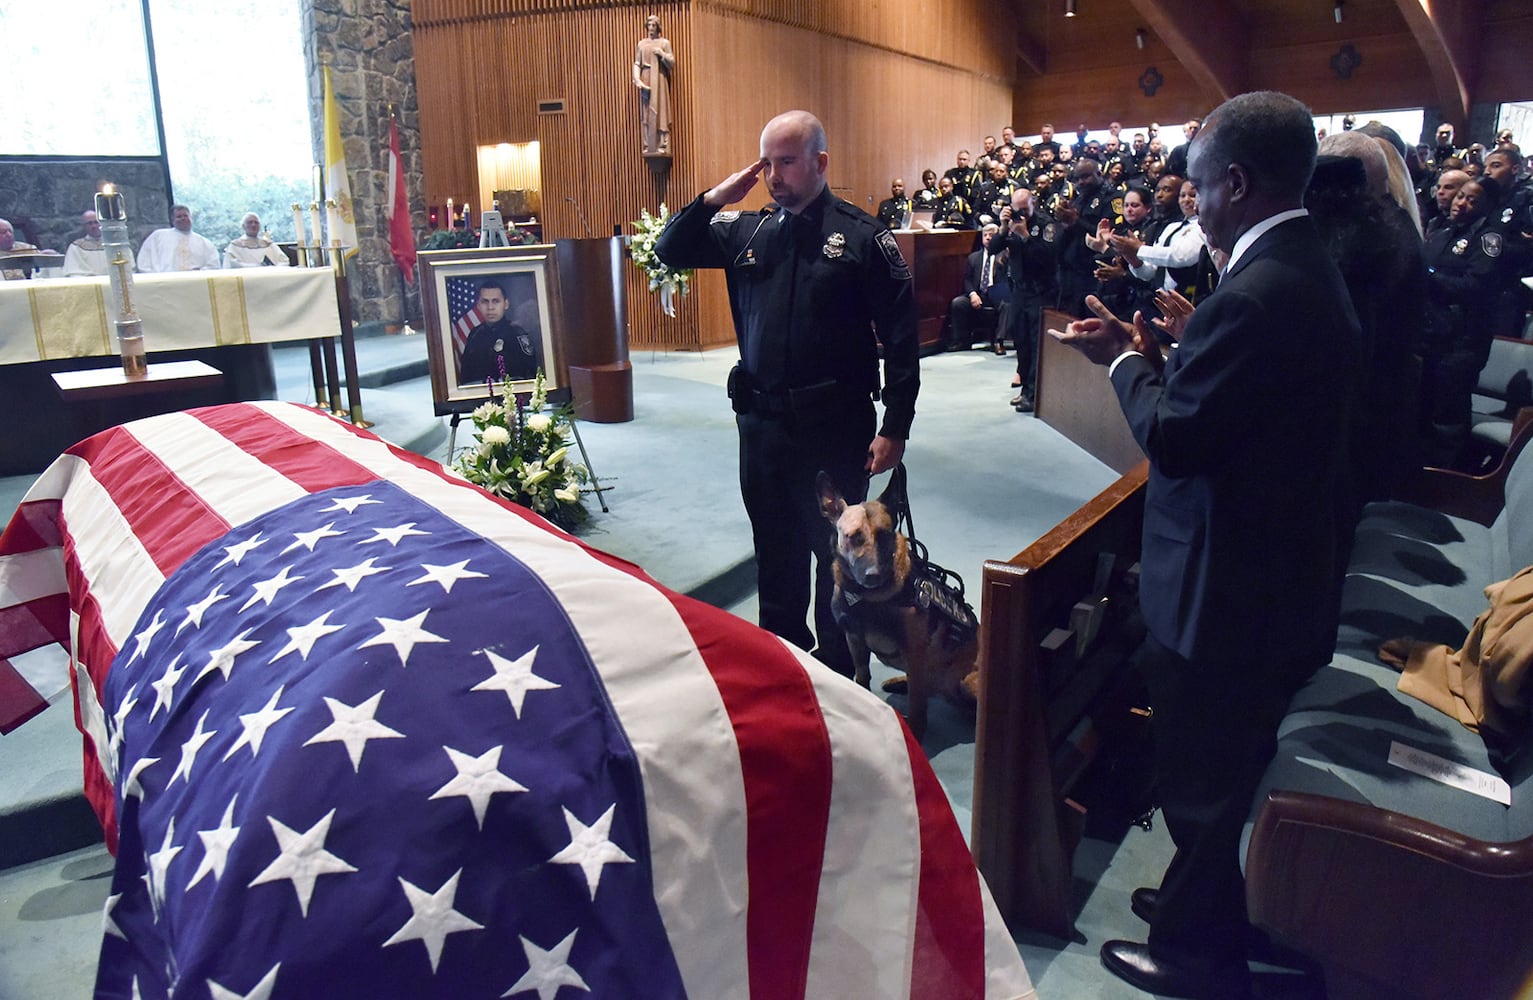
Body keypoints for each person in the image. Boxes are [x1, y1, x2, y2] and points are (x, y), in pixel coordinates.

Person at [1052, 90, 1361, 999]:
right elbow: (1246, 406)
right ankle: (1202, 906)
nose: (1190, 202)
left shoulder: (1260, 293)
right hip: (1275, 570)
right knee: (1218, 770)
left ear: (1236, 180)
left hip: (1227, 591)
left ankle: (1198, 958)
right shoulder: (1298, 265)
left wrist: (1119, 366)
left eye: (1196, 186)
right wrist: (1171, 349)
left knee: (1200, 781)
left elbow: (1179, 438)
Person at [652, 109, 919, 678]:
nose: (774, 175)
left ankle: (840, 673)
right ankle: (785, 666)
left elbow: (901, 340)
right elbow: (670, 250)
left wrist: (895, 425)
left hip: (834, 424)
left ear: (820, 162)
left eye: (787, 162)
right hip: (763, 427)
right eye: (766, 163)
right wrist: (716, 197)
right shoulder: (746, 230)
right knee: (774, 549)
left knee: (837, 555)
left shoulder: (864, 238)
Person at [458, 278, 540, 384]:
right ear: (478, 305)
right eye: (485, 302)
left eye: (496, 301)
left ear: (506, 304)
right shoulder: (475, 335)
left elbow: (530, 375)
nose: (490, 307)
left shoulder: (517, 334)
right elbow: (466, 376)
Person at [946, 223, 1008, 352]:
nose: (988, 238)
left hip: (997, 293)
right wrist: (973, 294)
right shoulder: (973, 257)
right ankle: (962, 341)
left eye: (991, 235)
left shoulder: (1004, 256)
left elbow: (1008, 279)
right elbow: (967, 279)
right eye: (985, 235)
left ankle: (999, 341)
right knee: (958, 303)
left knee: (1006, 304)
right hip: (979, 293)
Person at [632, 14, 675, 156]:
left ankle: (663, 144)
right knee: (646, 112)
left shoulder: (664, 43)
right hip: (646, 77)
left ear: (658, 27)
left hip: (660, 79)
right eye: (649, 25)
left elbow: (671, 63)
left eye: (653, 25)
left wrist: (662, 54)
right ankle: (648, 144)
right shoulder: (642, 44)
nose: (651, 28)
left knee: (660, 110)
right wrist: (637, 79)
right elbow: (637, 63)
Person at [138, 205, 220, 272]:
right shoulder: (158, 236)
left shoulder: (204, 242)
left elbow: (214, 265)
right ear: (173, 221)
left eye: (185, 216)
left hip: (195, 284)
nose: (183, 218)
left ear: (191, 218)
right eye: (179, 216)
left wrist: (200, 271)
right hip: (165, 285)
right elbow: (144, 262)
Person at [62, 209, 126, 277]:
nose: (94, 226)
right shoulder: (76, 247)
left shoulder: (115, 245)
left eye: (96, 222)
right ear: (84, 226)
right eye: (90, 223)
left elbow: (127, 267)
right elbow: (72, 272)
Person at [223, 213, 290, 268]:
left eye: (256, 222)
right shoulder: (235, 246)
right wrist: (256, 267)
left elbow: (284, 261)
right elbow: (232, 265)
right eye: (250, 222)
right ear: (243, 226)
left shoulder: (269, 245)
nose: (253, 225)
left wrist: (274, 269)